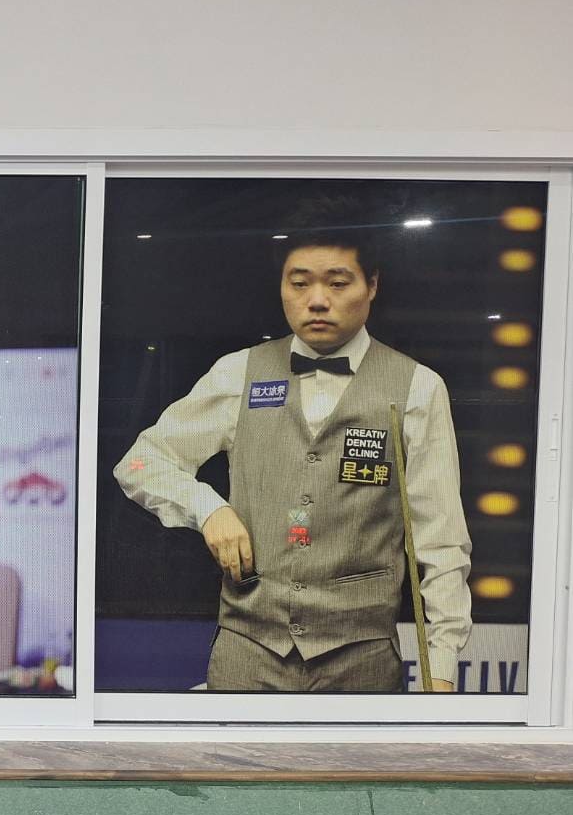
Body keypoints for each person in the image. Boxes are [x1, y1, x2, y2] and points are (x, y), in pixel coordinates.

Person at [113, 199, 471, 692]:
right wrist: (207, 508)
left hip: (361, 659)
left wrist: (442, 667)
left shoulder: (417, 387)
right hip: (248, 651)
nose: (317, 300)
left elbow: (440, 538)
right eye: (299, 283)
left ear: (372, 285)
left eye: (338, 283)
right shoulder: (239, 373)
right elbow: (139, 463)